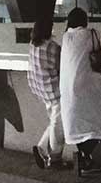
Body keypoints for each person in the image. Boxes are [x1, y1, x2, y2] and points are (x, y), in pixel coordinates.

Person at [59, 8, 101, 176]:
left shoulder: (65, 37)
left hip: (68, 88)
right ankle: (85, 158)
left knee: (77, 126)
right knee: (97, 124)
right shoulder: (92, 34)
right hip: (89, 87)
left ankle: (84, 158)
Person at [27, 17, 71, 170]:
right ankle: (55, 159)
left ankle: (41, 148)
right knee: (58, 125)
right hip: (55, 90)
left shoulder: (32, 45)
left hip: (42, 90)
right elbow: (63, 67)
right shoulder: (53, 47)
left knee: (54, 122)